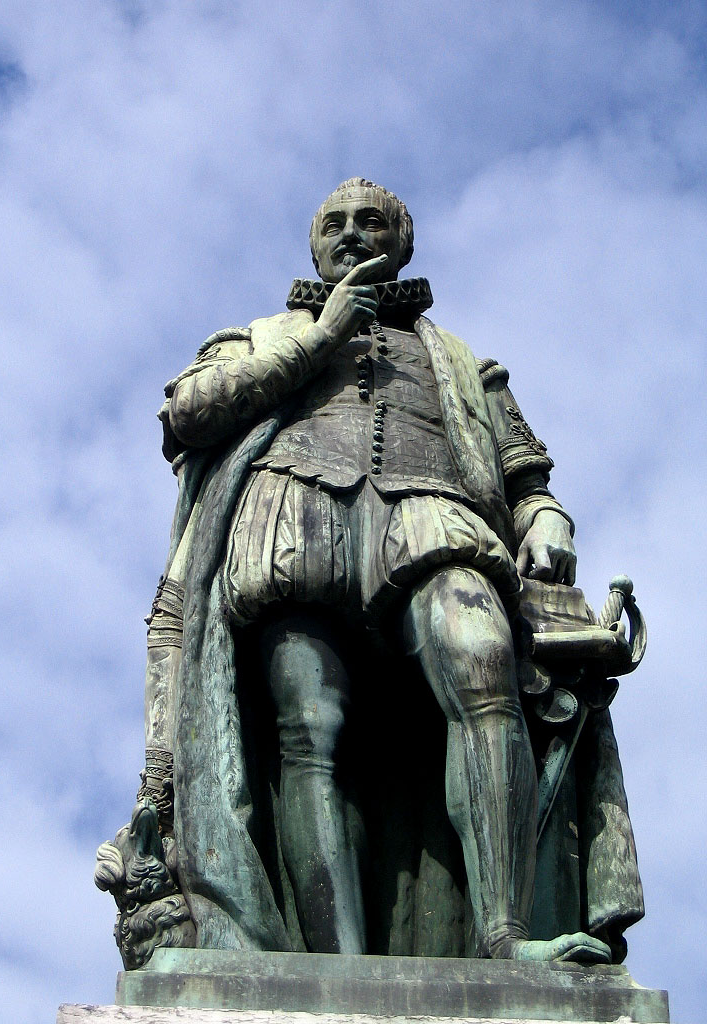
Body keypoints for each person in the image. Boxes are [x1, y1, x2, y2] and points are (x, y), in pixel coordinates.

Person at [134, 179, 643, 963]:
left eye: (370, 222)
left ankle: (506, 939)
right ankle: (332, 969)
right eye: (333, 224)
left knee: (482, 666)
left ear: (399, 242)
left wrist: (546, 519)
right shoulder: (258, 332)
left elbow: (526, 477)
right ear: (314, 244)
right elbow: (188, 413)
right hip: (294, 517)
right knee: (309, 730)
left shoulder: (465, 362)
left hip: (434, 514)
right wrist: (320, 336)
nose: (351, 234)